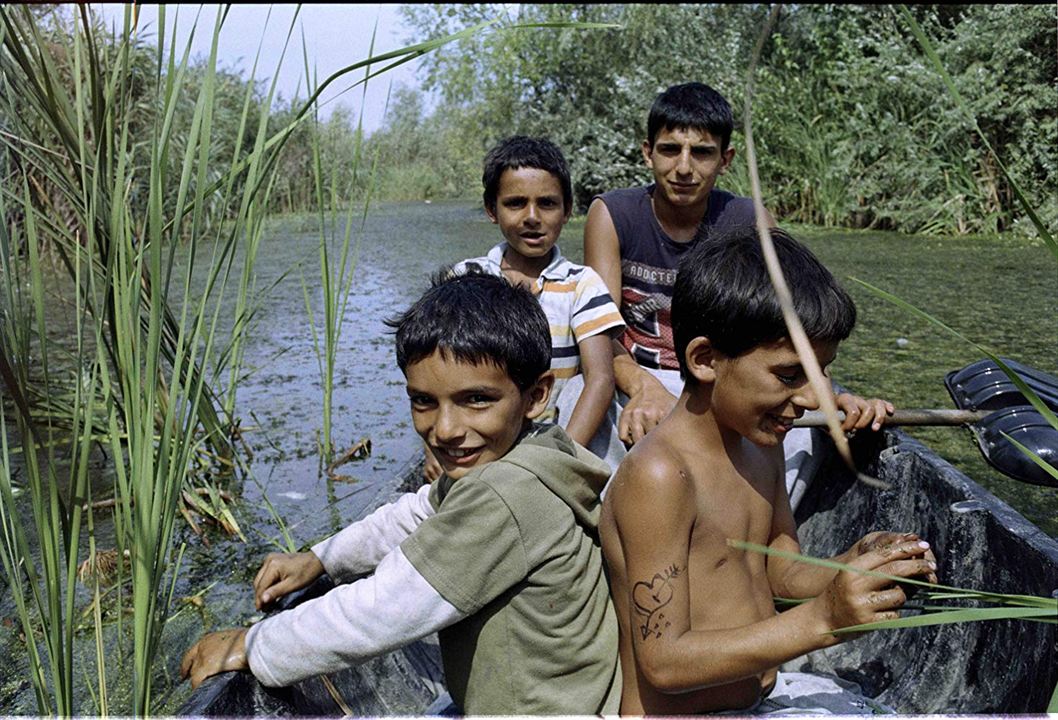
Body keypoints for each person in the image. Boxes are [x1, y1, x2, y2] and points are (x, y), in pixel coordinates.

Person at [181, 272, 622, 715]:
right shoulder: (535, 450)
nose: (445, 429)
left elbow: (385, 609)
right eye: (424, 401)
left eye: (476, 400)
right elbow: (416, 512)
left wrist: (253, 644)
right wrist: (321, 558)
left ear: (536, 395)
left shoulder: (506, 496)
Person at [598, 227, 937, 715]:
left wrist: (849, 566)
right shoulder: (661, 477)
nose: (812, 397)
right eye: (789, 374)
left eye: (822, 371)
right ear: (705, 359)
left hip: (758, 702)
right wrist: (822, 620)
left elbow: (780, 573)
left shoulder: (761, 447)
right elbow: (664, 663)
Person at [582, 82, 891, 482]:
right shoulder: (612, 214)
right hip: (637, 368)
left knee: (802, 438)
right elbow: (600, 329)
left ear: (725, 159)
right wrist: (642, 388)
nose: (683, 168)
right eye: (670, 150)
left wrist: (828, 396)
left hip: (726, 375)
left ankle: (756, 529)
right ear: (648, 153)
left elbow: (796, 325)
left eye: (703, 153)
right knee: (592, 407)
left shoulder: (750, 219)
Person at [440, 135, 625, 477]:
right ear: (491, 210)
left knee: (582, 385)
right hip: (481, 437)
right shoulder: (467, 276)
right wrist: (435, 450)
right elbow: (439, 378)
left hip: (555, 437)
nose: (532, 217)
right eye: (515, 203)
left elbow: (600, 379)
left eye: (547, 204)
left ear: (568, 210)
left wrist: (557, 463)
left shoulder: (581, 284)